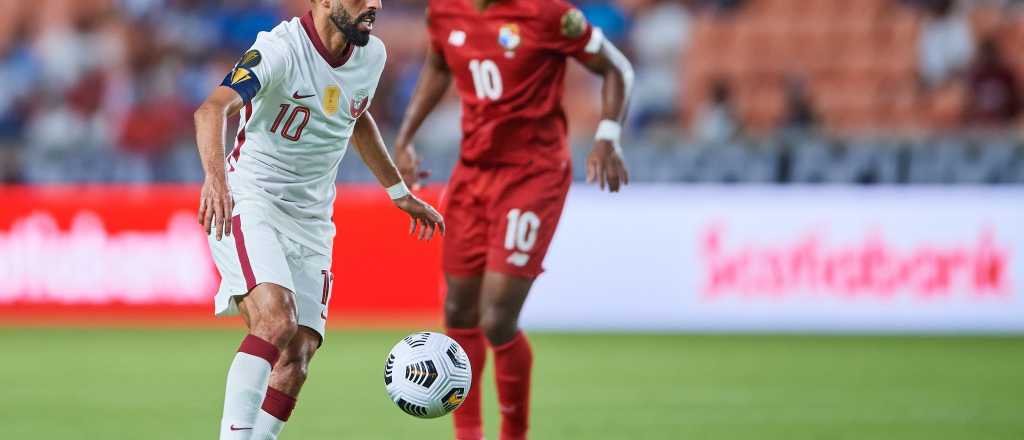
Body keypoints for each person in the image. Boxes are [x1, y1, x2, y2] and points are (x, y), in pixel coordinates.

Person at [193, 1, 445, 439]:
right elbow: (211, 110)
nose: (375, 5)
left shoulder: (373, 55)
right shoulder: (279, 50)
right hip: (253, 198)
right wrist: (215, 177)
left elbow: (357, 115)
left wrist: (398, 191)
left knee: (298, 356)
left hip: (312, 218)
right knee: (276, 321)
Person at [394, 1, 633, 439]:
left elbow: (617, 67)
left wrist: (607, 136)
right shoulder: (444, 11)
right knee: (457, 310)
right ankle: (468, 435)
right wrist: (406, 136)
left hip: (533, 175)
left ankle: (514, 434)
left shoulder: (549, 14)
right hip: (473, 172)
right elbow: (439, 65)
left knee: (497, 316)